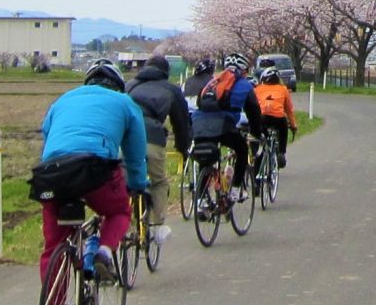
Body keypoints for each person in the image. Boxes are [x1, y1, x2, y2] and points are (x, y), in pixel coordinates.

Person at [36, 60, 147, 290]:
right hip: (95, 168)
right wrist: (137, 183)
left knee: (53, 245)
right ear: (118, 85)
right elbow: (135, 154)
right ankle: (103, 252)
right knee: (118, 211)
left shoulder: (63, 100)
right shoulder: (125, 102)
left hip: (52, 172)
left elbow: (47, 136)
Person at [126, 55, 190, 240]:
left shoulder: (129, 85)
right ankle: (158, 225)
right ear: (166, 72)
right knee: (159, 181)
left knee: (123, 180)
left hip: (127, 138)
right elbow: (181, 123)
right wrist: (182, 148)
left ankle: (122, 222)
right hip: (152, 138)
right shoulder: (171, 89)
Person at [189, 53, 262, 200]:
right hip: (223, 126)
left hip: (198, 124)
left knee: (206, 160)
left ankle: (201, 201)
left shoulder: (212, 82)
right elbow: (254, 113)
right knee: (241, 150)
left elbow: (200, 103)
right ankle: (235, 190)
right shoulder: (245, 85)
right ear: (243, 70)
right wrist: (256, 134)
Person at [253, 62, 298, 173]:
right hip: (278, 118)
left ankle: (259, 152)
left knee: (261, 141)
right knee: (283, 127)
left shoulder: (257, 89)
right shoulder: (283, 89)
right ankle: (281, 153)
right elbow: (289, 110)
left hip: (262, 118)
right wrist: (293, 125)